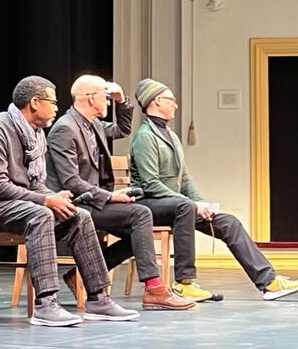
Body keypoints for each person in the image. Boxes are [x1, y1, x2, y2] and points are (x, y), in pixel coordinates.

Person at [0, 75, 139, 327]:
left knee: (79, 215)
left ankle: (99, 299)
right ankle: (46, 304)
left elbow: (33, 182)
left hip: (14, 203)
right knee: (40, 214)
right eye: (51, 102)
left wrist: (52, 196)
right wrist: (45, 201)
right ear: (34, 103)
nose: (55, 107)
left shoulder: (37, 134)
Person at [129, 78, 298, 302]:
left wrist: (202, 203)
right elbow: (150, 184)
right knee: (185, 207)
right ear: (156, 101)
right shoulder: (145, 137)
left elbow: (184, 178)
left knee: (228, 222)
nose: (176, 104)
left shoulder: (171, 136)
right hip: (149, 205)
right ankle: (184, 283)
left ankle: (269, 282)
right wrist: (193, 205)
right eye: (171, 100)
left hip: (176, 206)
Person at [46, 72, 192, 311]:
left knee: (139, 225)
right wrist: (111, 197)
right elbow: (71, 182)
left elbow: (122, 128)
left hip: (95, 201)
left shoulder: (93, 125)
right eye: (105, 97)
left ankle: (79, 275)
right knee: (140, 215)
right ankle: (154, 289)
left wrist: (122, 99)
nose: (108, 101)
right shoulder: (66, 129)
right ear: (90, 98)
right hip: (75, 204)